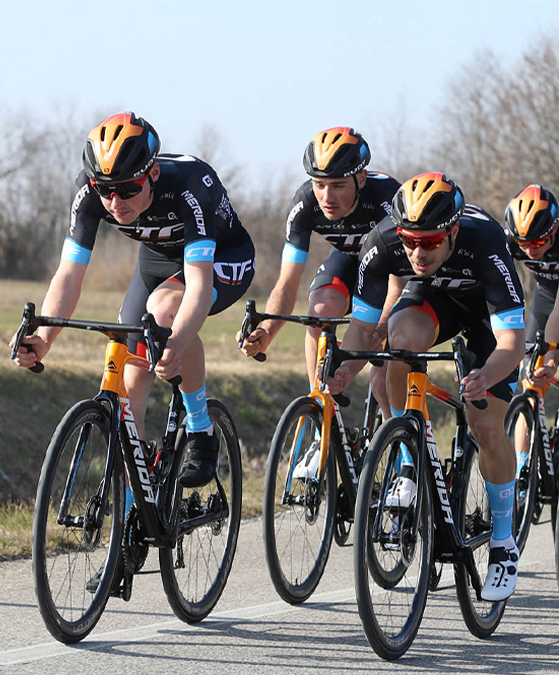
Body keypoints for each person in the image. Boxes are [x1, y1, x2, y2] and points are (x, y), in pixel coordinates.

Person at [11, 111, 255, 490]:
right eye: (104, 189)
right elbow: (69, 275)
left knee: (163, 312)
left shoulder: (189, 187)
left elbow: (198, 286)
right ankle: (132, 514)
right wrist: (44, 339)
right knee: (130, 381)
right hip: (156, 262)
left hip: (221, 258)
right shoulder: (90, 193)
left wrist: (175, 342)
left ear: (152, 174)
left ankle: (200, 428)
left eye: (127, 189)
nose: (114, 200)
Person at [327, 172, 525, 602]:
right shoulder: (381, 244)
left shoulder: (487, 242)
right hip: (430, 300)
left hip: (483, 316)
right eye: (410, 240)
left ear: (453, 231)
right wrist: (345, 371)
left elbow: (512, 342)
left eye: (431, 242)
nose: (418, 251)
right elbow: (362, 332)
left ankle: (504, 541)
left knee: (485, 424)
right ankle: (408, 448)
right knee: (399, 342)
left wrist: (486, 377)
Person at [238, 126, 402, 402]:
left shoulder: (388, 201)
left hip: (390, 273)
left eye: (338, 185)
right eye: (319, 184)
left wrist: (380, 329)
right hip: (349, 261)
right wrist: (267, 329)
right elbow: (287, 285)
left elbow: (399, 284)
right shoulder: (304, 205)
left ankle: (396, 440)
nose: (327, 197)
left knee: (382, 376)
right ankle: (320, 407)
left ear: (361, 179)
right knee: (319, 312)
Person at [503, 184, 559, 491]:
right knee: (531, 382)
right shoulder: (511, 239)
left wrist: (552, 352)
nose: (530, 249)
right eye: (524, 242)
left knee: (548, 358)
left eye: (538, 241)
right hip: (545, 298)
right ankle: (522, 468)